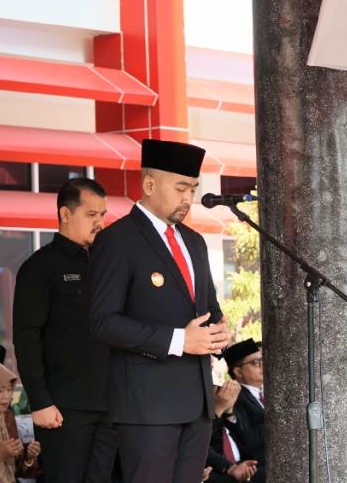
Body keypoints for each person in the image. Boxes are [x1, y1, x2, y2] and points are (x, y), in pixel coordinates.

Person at [88, 139, 230, 483]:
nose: (188, 198)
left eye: (193, 189)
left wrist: (219, 332)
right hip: (147, 406)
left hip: (196, 403)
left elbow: (207, 307)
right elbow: (103, 322)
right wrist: (180, 340)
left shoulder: (194, 242)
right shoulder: (117, 240)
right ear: (149, 184)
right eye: (180, 187)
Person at [14, 177, 116, 482]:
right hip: (63, 408)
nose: (99, 223)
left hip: (110, 403)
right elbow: (26, 336)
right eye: (91, 215)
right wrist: (40, 401)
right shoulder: (39, 267)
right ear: (65, 214)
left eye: (102, 215)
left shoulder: (108, 263)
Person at [222, 339, 265, 481]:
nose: (262, 365)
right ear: (238, 371)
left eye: (264, 360)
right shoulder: (235, 398)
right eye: (255, 362)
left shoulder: (267, 394)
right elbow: (247, 439)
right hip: (255, 469)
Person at [206, 380, 258, 483]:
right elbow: (201, 445)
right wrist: (217, 410)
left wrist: (229, 411)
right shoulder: (199, 412)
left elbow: (248, 440)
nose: (225, 391)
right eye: (218, 387)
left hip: (241, 466)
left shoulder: (230, 406)